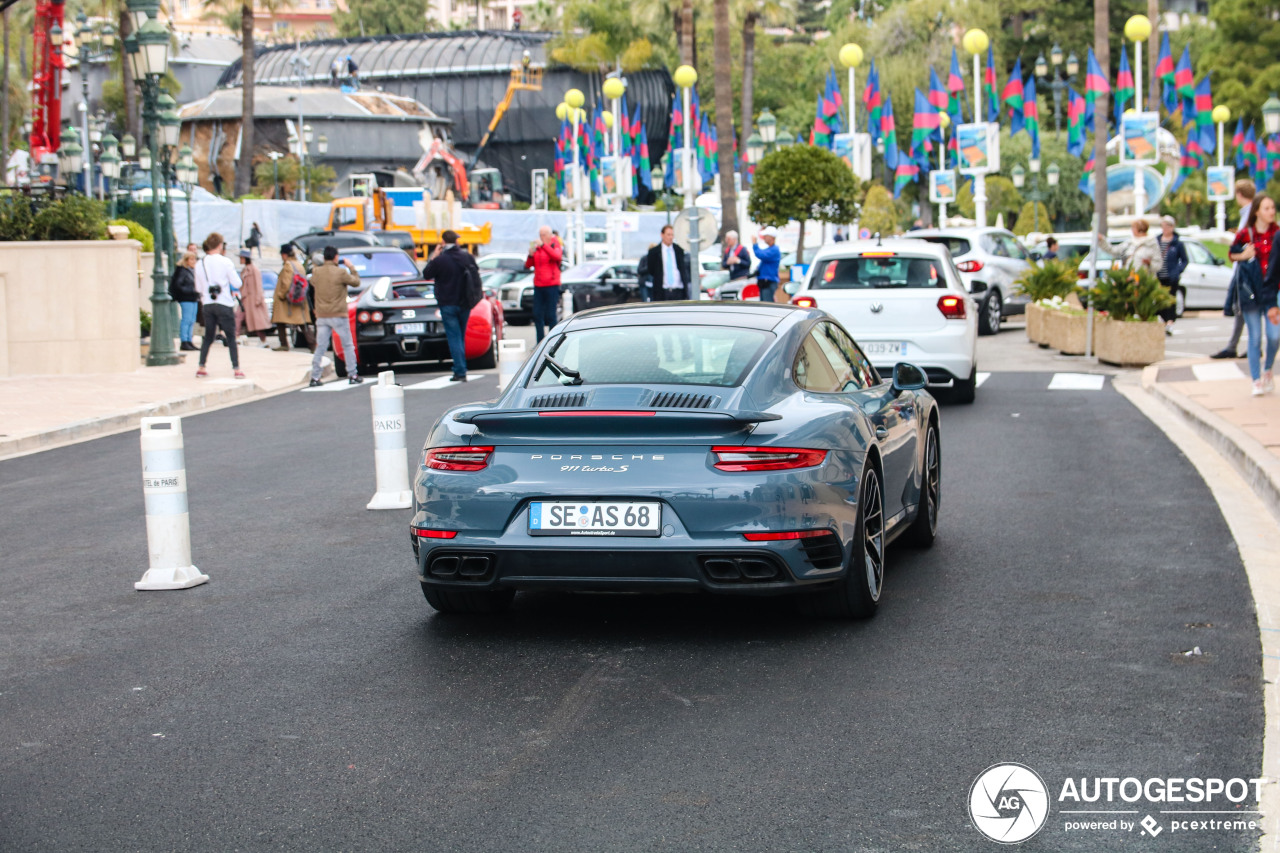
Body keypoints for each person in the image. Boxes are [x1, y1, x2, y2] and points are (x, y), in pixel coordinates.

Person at [1227, 193, 1280, 396]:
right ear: (1257, 211)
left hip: (1274, 290)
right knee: (1255, 336)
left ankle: (1267, 369)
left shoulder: (1277, 233)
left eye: (1273, 208)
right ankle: (1256, 380)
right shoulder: (1245, 234)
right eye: (1267, 208)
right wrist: (1243, 255)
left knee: (1274, 337)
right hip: (1251, 291)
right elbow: (1231, 254)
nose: (1271, 212)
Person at [422, 230, 478, 382]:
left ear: (443, 243)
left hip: (447, 303)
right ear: (457, 241)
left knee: (454, 337)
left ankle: (460, 370)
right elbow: (476, 277)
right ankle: (461, 368)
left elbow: (426, 274)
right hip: (465, 302)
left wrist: (434, 256)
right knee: (460, 336)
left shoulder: (441, 260)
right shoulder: (466, 257)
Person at [1213, 179, 1258, 359]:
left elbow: (1249, 242)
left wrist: (1238, 250)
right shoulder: (1248, 213)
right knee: (1241, 307)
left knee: (1246, 306)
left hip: (1248, 267)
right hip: (1244, 266)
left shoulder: (1251, 214)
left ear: (1239, 194)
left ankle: (1251, 345)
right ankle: (1233, 345)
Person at [309, 246, 362, 387]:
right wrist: (351, 267)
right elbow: (356, 282)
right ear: (335, 257)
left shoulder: (316, 272)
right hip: (338, 314)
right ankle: (352, 374)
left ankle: (315, 377)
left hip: (322, 315)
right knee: (347, 345)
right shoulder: (341, 272)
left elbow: (312, 282)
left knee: (321, 347)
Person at [194, 232, 244, 379]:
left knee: (208, 336)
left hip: (208, 303)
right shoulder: (225, 262)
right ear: (220, 245)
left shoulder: (200, 263)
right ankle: (236, 368)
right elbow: (237, 283)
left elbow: (198, 288)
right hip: (224, 302)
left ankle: (201, 366)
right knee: (230, 337)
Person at [524, 225, 564, 341]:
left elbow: (557, 256)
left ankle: (553, 342)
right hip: (539, 285)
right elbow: (528, 265)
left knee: (551, 315)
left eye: (544, 235)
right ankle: (540, 341)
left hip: (552, 284)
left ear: (549, 235)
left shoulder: (554, 244)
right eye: (540, 235)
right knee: (537, 314)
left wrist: (544, 246)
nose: (541, 237)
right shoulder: (538, 247)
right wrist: (530, 255)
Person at [272, 243, 314, 352]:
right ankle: (313, 345)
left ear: (284, 254)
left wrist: (281, 295)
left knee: (280, 322)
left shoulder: (288, 265)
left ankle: (284, 344)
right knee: (302, 323)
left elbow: (286, 283)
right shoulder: (298, 264)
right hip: (299, 298)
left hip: (288, 301)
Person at [1154, 215, 1189, 334]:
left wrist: (1177, 271)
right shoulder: (1156, 241)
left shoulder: (1177, 243)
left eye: (1167, 226)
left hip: (1171, 277)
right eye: (1163, 226)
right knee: (1159, 300)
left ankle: (1169, 322)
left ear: (1172, 227)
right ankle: (1162, 321)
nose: (1164, 228)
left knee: (1170, 300)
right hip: (1158, 275)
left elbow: (1184, 260)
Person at [645, 225, 690, 301]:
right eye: (668, 235)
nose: (670, 237)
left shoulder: (679, 250)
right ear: (662, 235)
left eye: (672, 235)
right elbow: (651, 270)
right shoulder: (654, 252)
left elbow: (682, 268)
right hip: (662, 291)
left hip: (678, 290)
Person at [238, 248, 271, 345]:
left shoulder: (254, 270)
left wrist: (258, 299)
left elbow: (258, 285)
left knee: (257, 322)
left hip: (253, 299)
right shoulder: (245, 270)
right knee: (239, 317)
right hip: (246, 298)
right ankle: (237, 336)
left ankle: (263, 340)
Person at [169, 251, 199, 351]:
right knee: (186, 320)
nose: (194, 261)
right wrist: (192, 291)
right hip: (186, 298)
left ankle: (189, 340)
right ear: (186, 260)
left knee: (191, 320)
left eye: (194, 259)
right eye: (191, 259)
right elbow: (178, 285)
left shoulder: (191, 270)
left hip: (193, 298)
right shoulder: (182, 271)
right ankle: (184, 341)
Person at [752, 226, 782, 303]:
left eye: (766, 236)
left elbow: (760, 254)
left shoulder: (774, 249)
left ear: (772, 237)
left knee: (767, 305)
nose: (764, 237)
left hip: (769, 282)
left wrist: (755, 244)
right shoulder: (770, 249)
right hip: (765, 282)